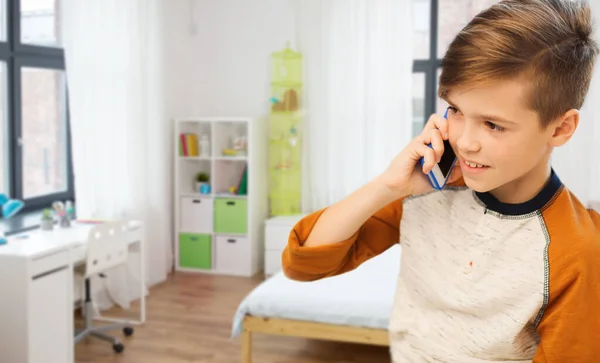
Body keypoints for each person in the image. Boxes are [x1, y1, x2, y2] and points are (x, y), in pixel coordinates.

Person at [281, 0, 600, 362]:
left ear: (560, 128)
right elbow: (304, 263)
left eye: (493, 124)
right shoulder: (426, 193)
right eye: (456, 111)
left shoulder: (577, 250)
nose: (465, 142)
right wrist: (389, 186)